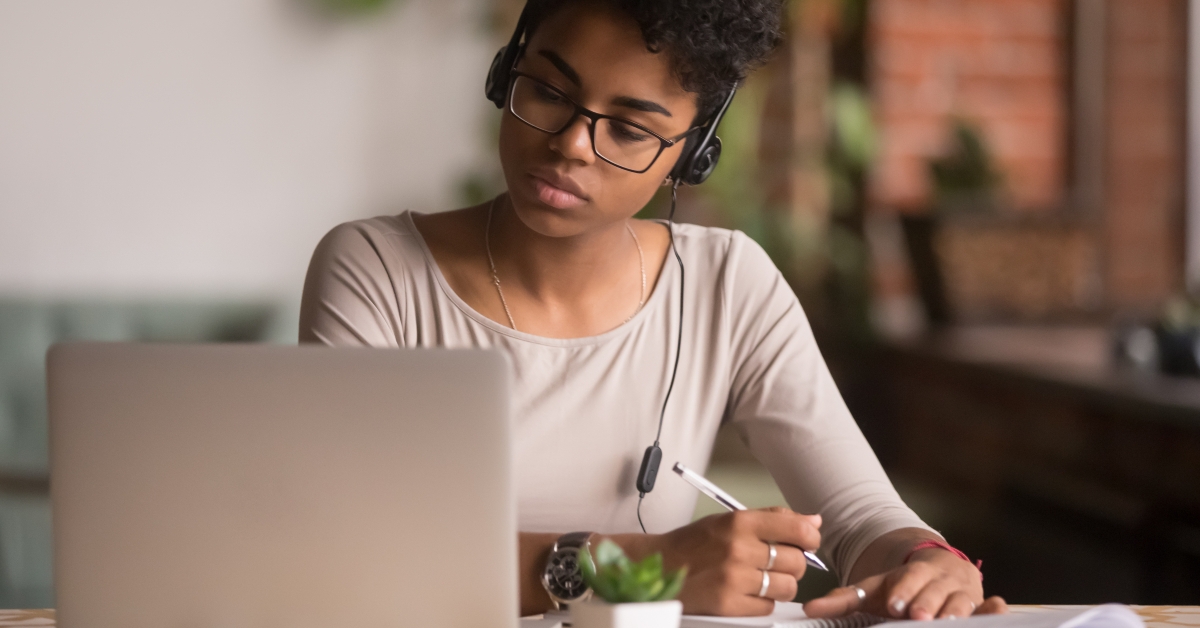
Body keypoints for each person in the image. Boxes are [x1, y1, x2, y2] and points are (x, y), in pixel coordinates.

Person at [299, 0, 1006, 619]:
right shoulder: (377, 270)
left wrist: (925, 561)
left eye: (631, 131)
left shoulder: (729, 283)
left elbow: (860, 520)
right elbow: (348, 550)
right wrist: (648, 570)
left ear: (691, 153)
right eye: (547, 90)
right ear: (504, 72)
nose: (571, 146)